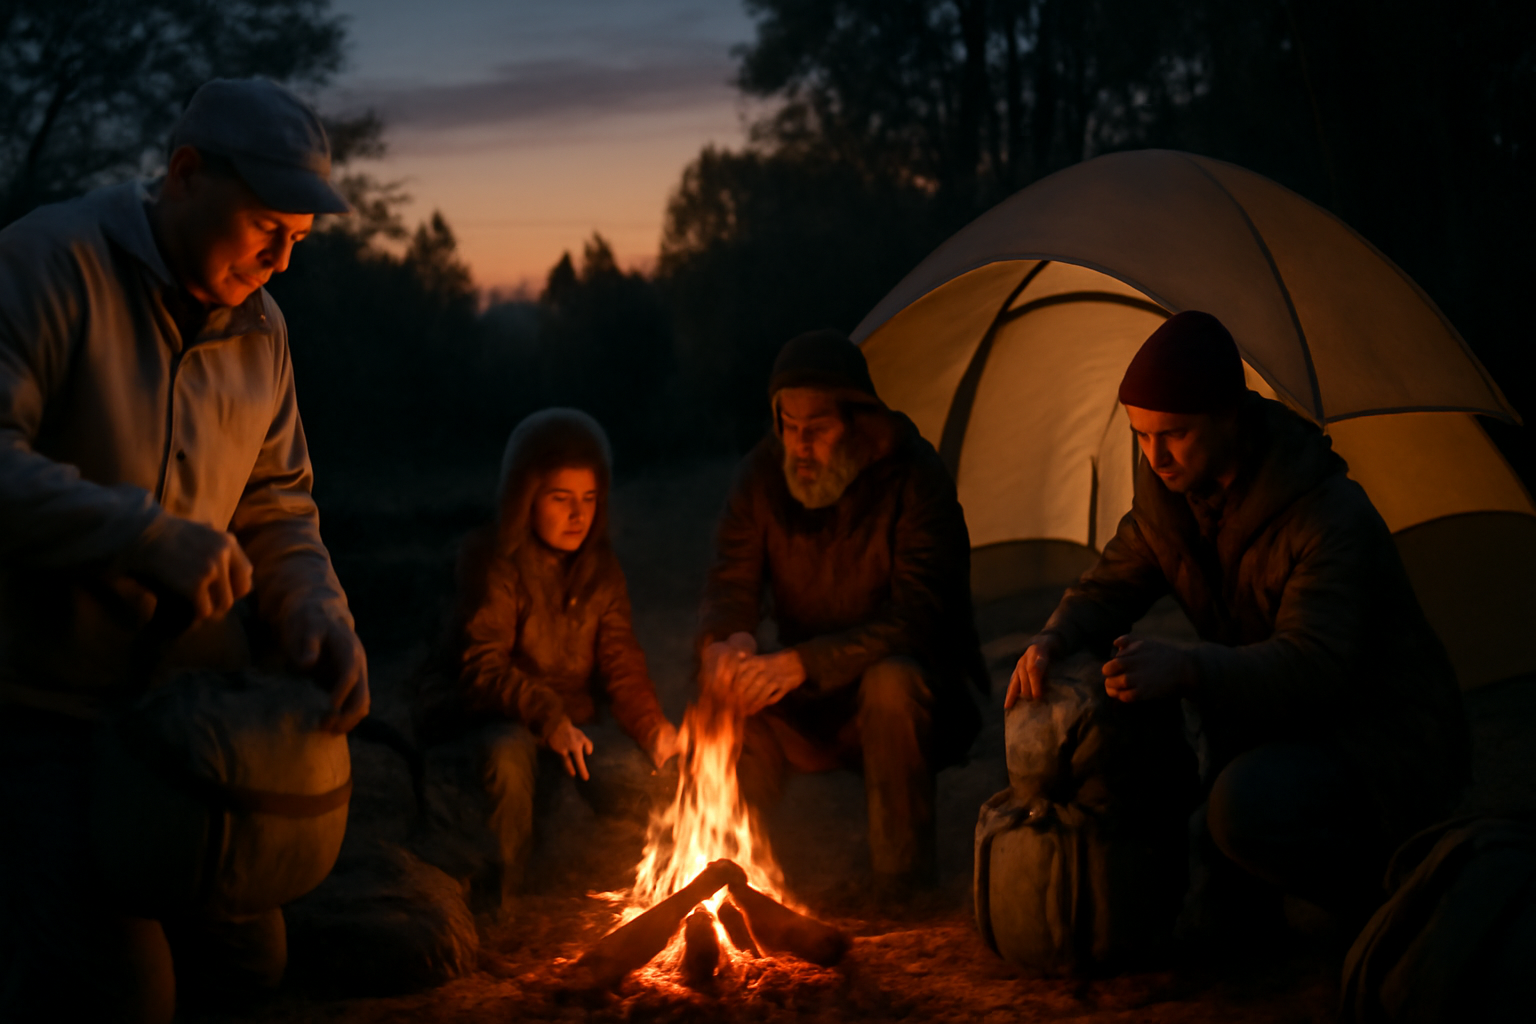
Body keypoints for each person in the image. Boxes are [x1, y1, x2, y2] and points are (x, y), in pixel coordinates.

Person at [0, 78, 366, 1021]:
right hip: (42, 709)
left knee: (249, 966)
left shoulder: (263, 331)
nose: (281, 262)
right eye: (267, 229)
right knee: (124, 995)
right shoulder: (45, 263)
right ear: (186, 173)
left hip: (188, 715)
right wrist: (142, 536)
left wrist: (314, 607)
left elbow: (279, 504)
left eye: (299, 240)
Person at [1005, 310, 1470, 925]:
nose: (1155, 456)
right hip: (1269, 723)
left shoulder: (1325, 515)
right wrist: (1052, 637)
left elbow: (1314, 666)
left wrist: (1188, 668)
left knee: (1240, 811)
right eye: (1140, 436)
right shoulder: (1173, 502)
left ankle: (1399, 903)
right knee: (1211, 866)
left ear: (1228, 416)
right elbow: (1109, 586)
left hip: (1378, 743)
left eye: (1174, 434)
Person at [698, 329, 987, 895]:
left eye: (818, 427)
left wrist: (803, 663)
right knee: (732, 698)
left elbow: (918, 615)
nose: (800, 444)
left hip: (910, 688)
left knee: (890, 684)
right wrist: (728, 640)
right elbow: (730, 579)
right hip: (809, 698)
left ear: (857, 420)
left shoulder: (913, 476)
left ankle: (902, 884)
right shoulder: (762, 476)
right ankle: (725, 878)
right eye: (789, 426)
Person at [411, 408, 680, 910]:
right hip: (488, 715)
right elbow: (482, 666)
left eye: (589, 499)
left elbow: (620, 662)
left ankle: (659, 888)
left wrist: (653, 728)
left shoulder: (600, 570)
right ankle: (500, 900)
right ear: (526, 496)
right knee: (509, 756)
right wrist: (547, 716)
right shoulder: (493, 558)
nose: (578, 514)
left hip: (568, 724)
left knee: (651, 774)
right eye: (561, 498)